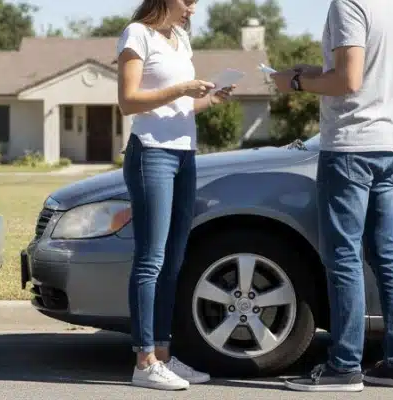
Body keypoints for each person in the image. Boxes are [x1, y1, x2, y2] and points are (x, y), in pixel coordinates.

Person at [270, 0, 393, 393]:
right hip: (389, 145)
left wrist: (296, 84)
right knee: (387, 254)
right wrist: (316, 73)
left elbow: (349, 81)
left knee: (344, 257)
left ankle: (344, 366)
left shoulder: (348, 4)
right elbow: (388, 74)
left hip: (352, 147)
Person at [116, 0, 236, 391]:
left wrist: (211, 98)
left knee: (174, 259)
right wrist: (181, 88)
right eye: (188, 1)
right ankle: (144, 360)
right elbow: (129, 100)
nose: (193, 9)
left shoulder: (180, 39)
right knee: (150, 259)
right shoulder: (137, 35)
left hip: (185, 154)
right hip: (151, 153)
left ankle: (164, 356)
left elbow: (181, 107)